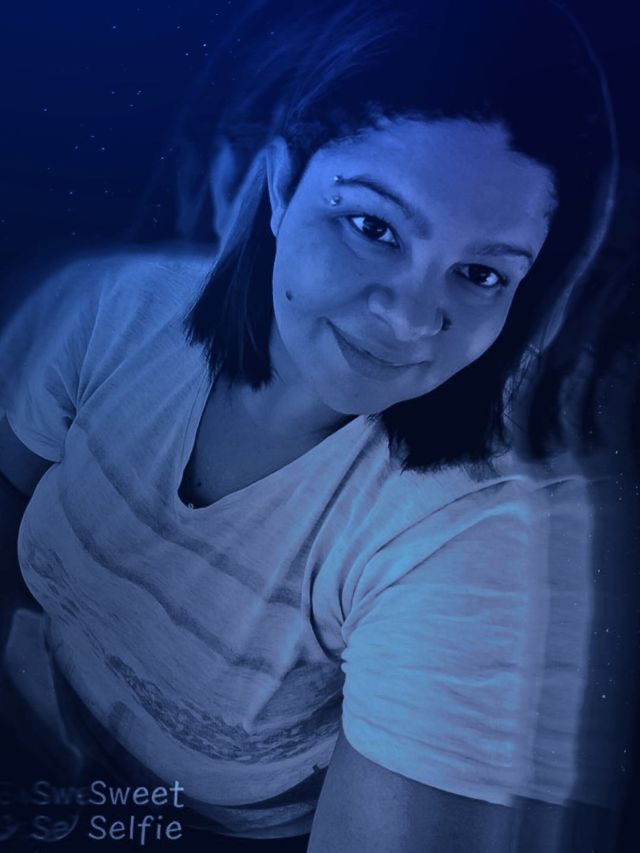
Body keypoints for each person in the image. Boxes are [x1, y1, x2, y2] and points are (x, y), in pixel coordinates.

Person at [0, 0, 617, 849]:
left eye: (480, 274)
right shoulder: (110, 308)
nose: (410, 319)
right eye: (373, 227)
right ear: (282, 183)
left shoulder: (469, 531)